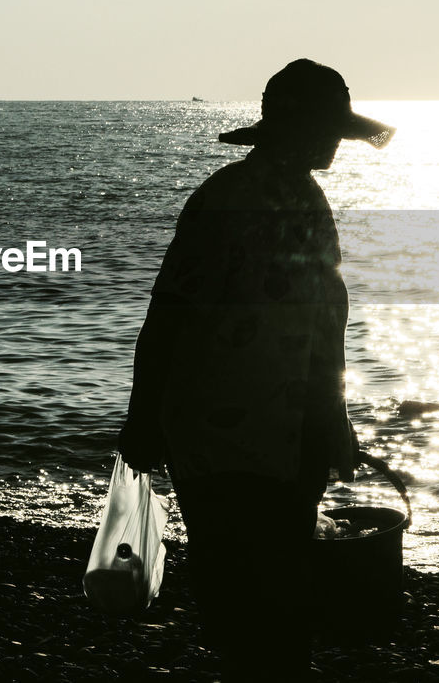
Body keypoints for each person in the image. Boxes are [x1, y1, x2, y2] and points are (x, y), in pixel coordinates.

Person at [118, 59, 394, 680]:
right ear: (299, 132)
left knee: (243, 586)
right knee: (272, 591)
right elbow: (318, 330)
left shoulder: (238, 195)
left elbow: (170, 312)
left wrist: (146, 415)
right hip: (263, 430)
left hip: (228, 428)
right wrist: (333, 422)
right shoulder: (274, 202)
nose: (335, 144)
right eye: (329, 130)